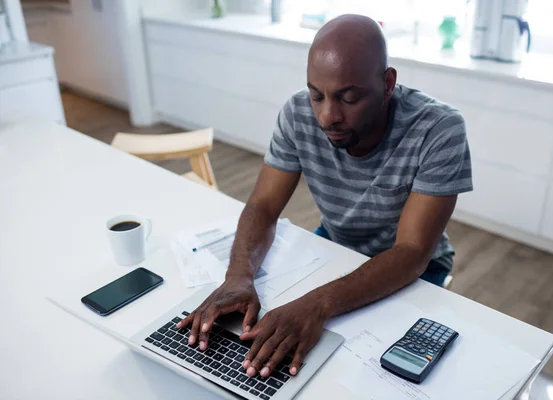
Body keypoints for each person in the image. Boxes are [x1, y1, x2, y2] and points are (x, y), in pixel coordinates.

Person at [177, 14, 472, 381]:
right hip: (335, 245)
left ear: (387, 84)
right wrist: (238, 276)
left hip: (419, 267)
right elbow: (263, 206)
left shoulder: (439, 130)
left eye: (348, 98)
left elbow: (411, 253)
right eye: (317, 95)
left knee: (366, 376)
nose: (328, 116)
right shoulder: (299, 113)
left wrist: (317, 305)